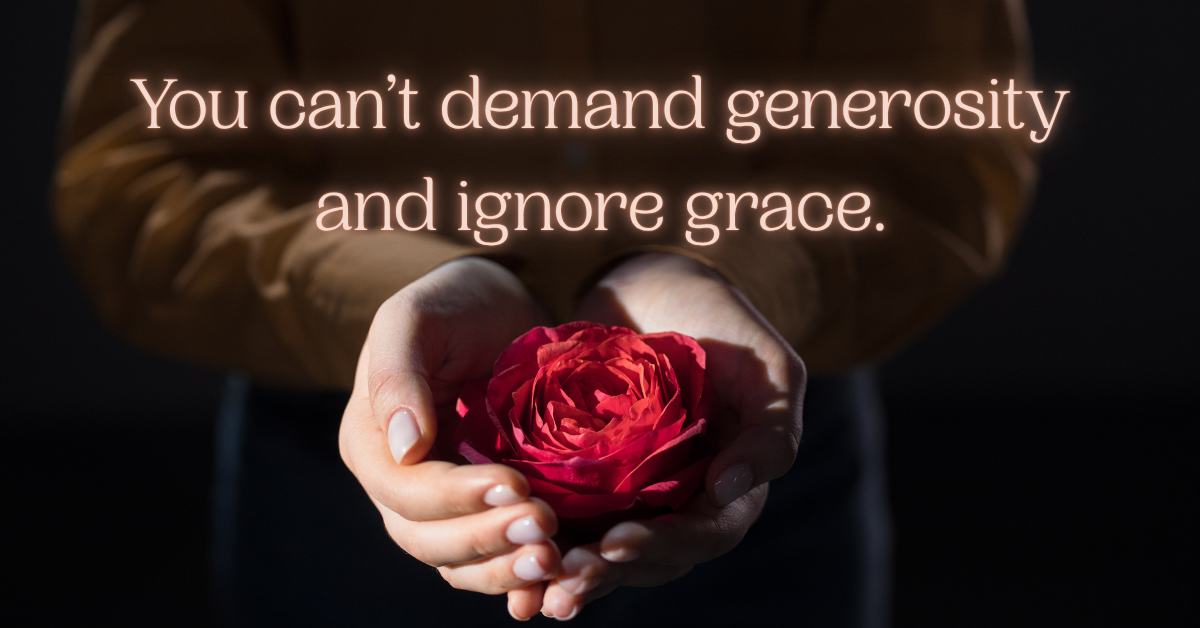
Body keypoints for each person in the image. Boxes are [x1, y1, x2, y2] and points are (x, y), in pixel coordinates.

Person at [54, 0, 1035, 625]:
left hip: (760, 447)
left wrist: (722, 277)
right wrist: (391, 296)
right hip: (343, 477)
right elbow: (147, 173)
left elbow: (939, 143)